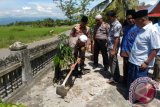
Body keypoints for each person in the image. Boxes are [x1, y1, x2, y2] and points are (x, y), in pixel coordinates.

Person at [128, 10, 160, 92]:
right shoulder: (141, 29)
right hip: (133, 61)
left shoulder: (152, 30)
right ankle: (133, 98)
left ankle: (140, 102)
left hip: (141, 64)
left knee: (140, 85)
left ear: (142, 19)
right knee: (133, 83)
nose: (135, 23)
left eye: (136, 21)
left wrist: (146, 62)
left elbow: (156, 48)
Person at [120, 9, 139, 85]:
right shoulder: (125, 27)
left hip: (133, 52)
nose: (130, 20)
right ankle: (125, 81)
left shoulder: (138, 28)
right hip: (125, 50)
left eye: (132, 18)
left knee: (132, 69)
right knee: (125, 67)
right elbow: (124, 39)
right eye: (128, 19)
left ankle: (131, 83)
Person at [106, 10, 122, 83]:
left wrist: (113, 49)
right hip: (110, 46)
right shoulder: (112, 24)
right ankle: (116, 76)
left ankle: (114, 77)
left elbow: (116, 38)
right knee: (112, 61)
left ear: (114, 17)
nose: (109, 19)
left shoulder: (117, 25)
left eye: (110, 18)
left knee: (113, 62)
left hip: (113, 47)